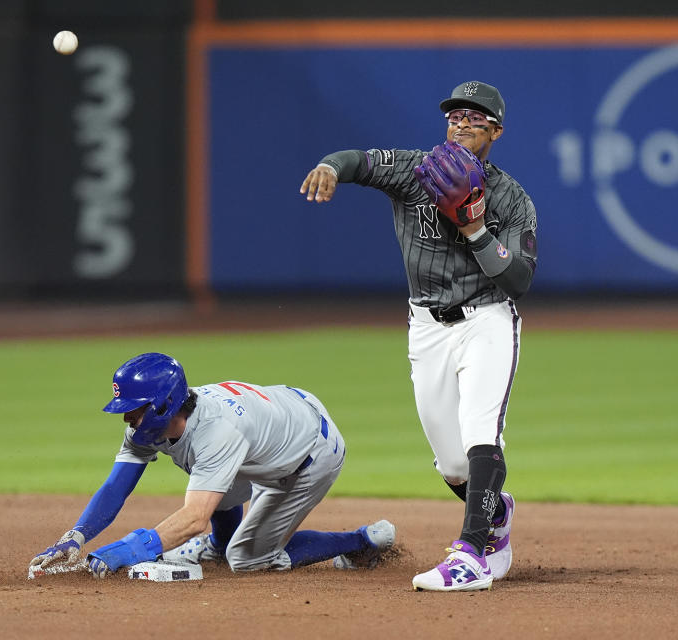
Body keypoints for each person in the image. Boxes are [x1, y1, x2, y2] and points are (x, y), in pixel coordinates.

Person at [299, 81, 536, 592]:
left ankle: (470, 554)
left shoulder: (511, 197)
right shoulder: (413, 171)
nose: (462, 122)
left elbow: (518, 279)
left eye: (475, 117)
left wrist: (475, 230)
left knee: (480, 433)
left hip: (487, 321)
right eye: (455, 116)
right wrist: (329, 166)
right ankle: (495, 512)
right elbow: (358, 161)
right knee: (452, 464)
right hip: (426, 326)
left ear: (496, 130)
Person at [29, 352, 396, 578]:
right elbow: (115, 487)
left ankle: (362, 543)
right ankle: (218, 547)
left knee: (247, 559)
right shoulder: (161, 425)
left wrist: (129, 549)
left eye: (133, 411)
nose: (128, 420)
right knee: (206, 474)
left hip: (310, 454)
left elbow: (194, 518)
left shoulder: (215, 433)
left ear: (162, 406)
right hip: (280, 418)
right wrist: (75, 536)